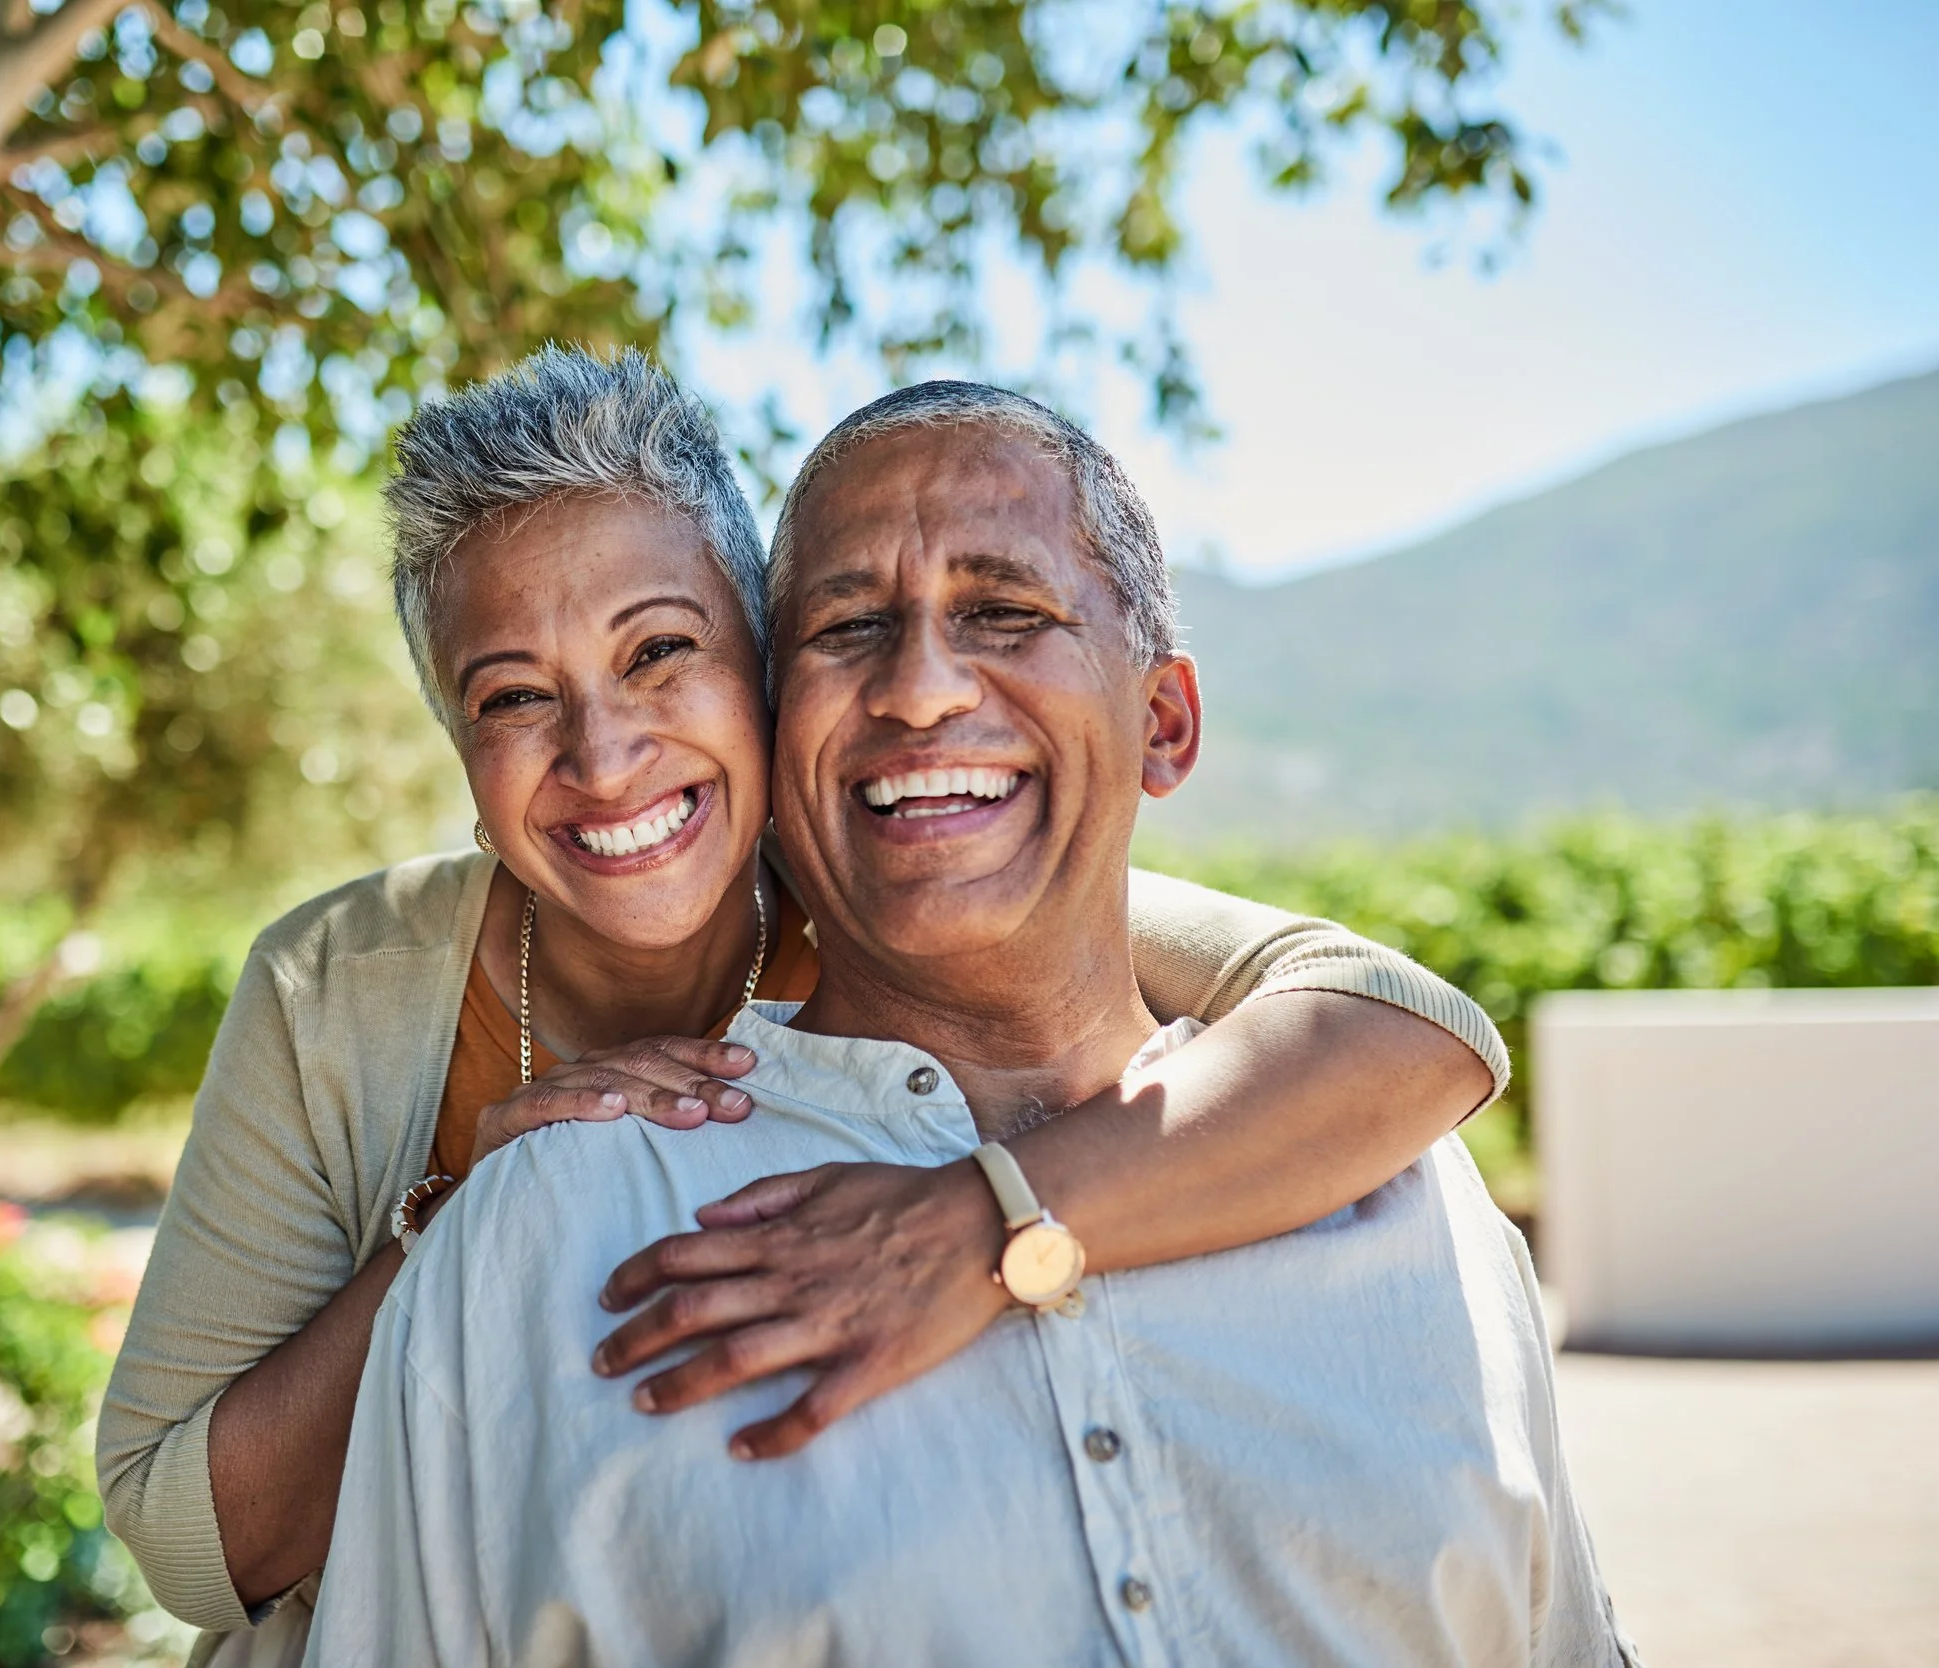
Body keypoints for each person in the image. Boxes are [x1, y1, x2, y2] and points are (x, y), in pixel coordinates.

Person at [97, 352, 1513, 1660]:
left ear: (762, 673)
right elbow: (185, 1539)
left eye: (660, 653)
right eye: (516, 699)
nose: (606, 754)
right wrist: (459, 1213)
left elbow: (1396, 1024)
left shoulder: (906, 866)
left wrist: (990, 1224)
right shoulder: (345, 989)